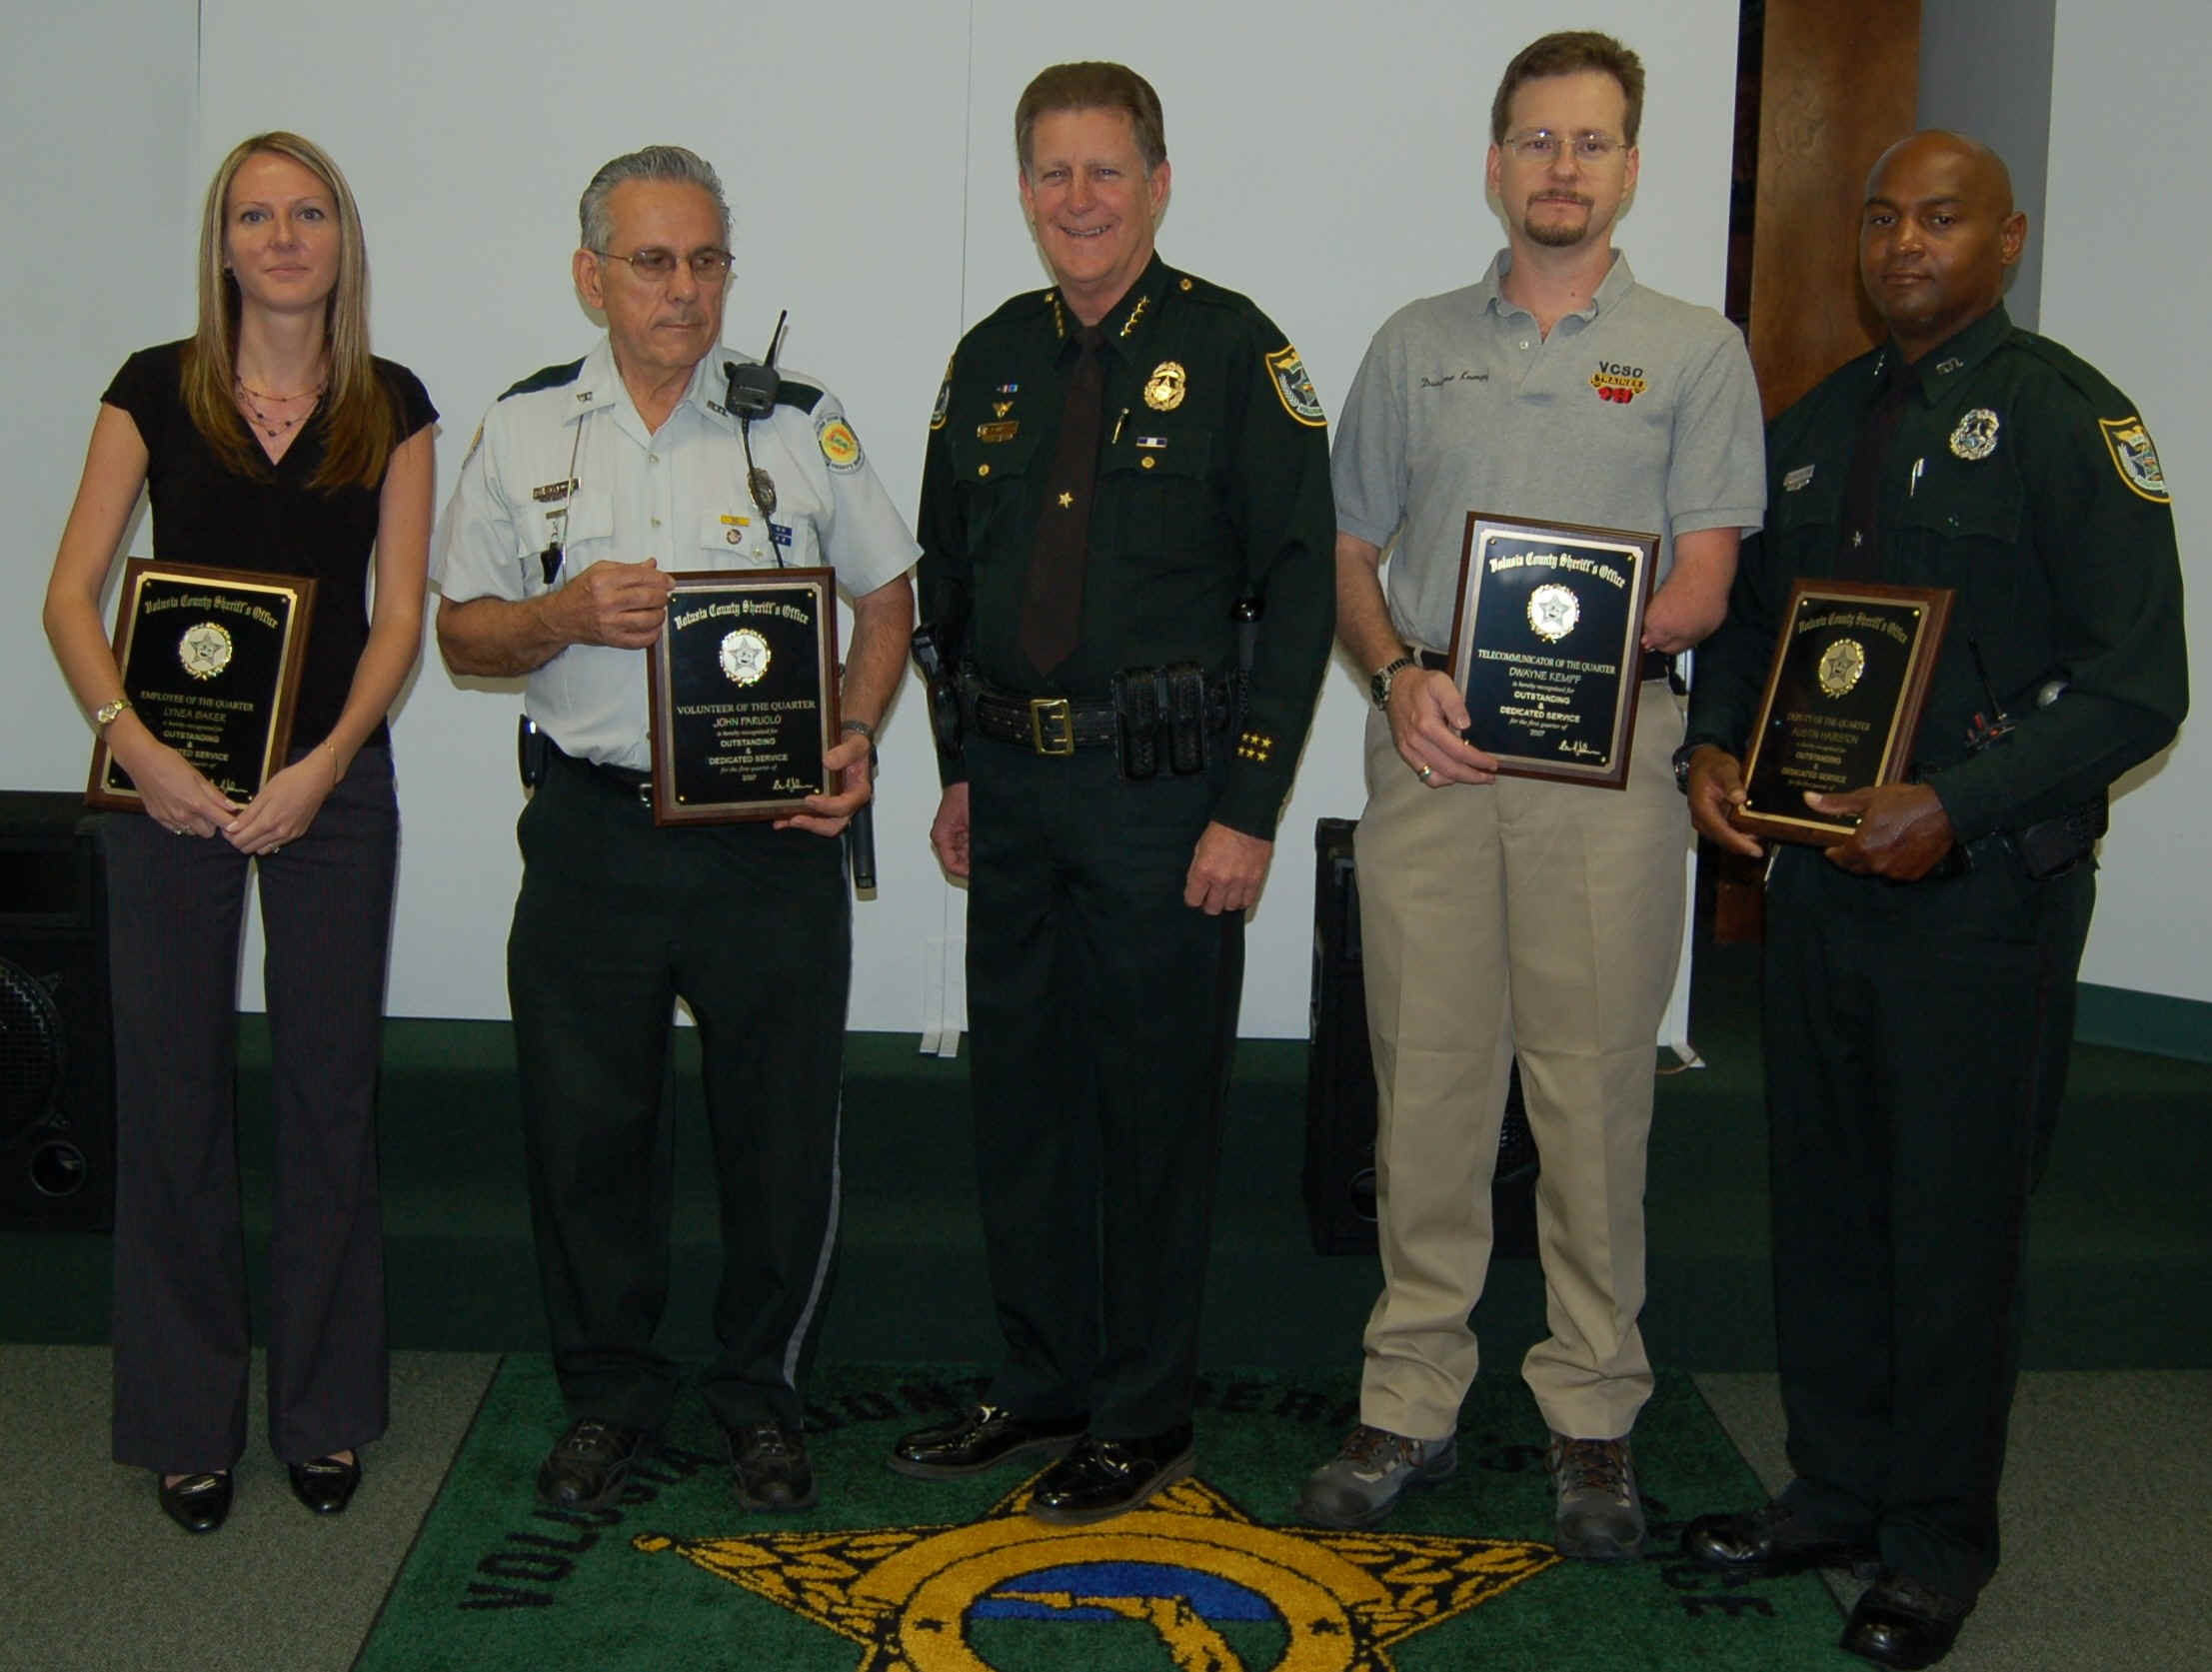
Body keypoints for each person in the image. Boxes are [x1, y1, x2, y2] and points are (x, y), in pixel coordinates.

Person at [1677, 131, 2186, 1670]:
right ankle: (1831, 1489)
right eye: (1885, 216)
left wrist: (1954, 805)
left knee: (1949, 1227)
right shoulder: (1817, 425)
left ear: (2005, 240)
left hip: (1977, 903)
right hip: (1820, 893)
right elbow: (1758, 634)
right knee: (1825, 1208)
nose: (1905, 241)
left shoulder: (2063, 417)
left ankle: (1934, 1542)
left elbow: (2135, 684)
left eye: (1941, 218)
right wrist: (1713, 746)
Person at [1302, 31, 1765, 1560]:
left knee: (1587, 1092)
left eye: (1590, 142)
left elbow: (1702, 578)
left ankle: (1591, 1418)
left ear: (1629, 167)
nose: (1560, 168)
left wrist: (1565, 645)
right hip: (1428, 748)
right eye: (1535, 141)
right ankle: (1410, 1392)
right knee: (1424, 1082)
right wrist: (1396, 679)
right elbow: (1350, 556)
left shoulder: (1695, 351)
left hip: (1607, 763)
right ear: (1493, 163)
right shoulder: (1411, 339)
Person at [433, 145, 915, 1516]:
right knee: (588, 1131)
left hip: (767, 838)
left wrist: (858, 733)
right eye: (652, 261)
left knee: (773, 1131)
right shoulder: (526, 429)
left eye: (706, 259)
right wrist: (562, 617)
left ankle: (760, 1393)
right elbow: (460, 630)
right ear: (592, 277)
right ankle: (609, 1396)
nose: (684, 289)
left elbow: (889, 599)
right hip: (594, 834)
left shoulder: (798, 421)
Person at [890, 62, 1334, 1522]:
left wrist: (1247, 807)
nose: (1076, 200)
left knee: (1152, 1111)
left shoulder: (1232, 352)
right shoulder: (991, 358)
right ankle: (1042, 1382)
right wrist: (958, 772)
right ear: (1023, 190)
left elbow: (1295, 592)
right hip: (1014, 789)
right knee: (1021, 1103)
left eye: (1104, 171)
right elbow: (944, 587)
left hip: (1165, 798)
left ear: (1155, 180)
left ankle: (1142, 1410)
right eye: (1050, 173)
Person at [42, 133, 436, 1534]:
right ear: (221, 244)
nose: (282, 236)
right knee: (173, 1100)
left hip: (334, 787)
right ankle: (184, 1420)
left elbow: (399, 617)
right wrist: (135, 750)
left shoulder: (390, 402)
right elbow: (70, 595)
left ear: (343, 236)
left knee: (330, 1101)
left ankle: (324, 1413)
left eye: (308, 210)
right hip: (167, 791)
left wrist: (325, 764)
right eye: (255, 215)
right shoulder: (151, 389)